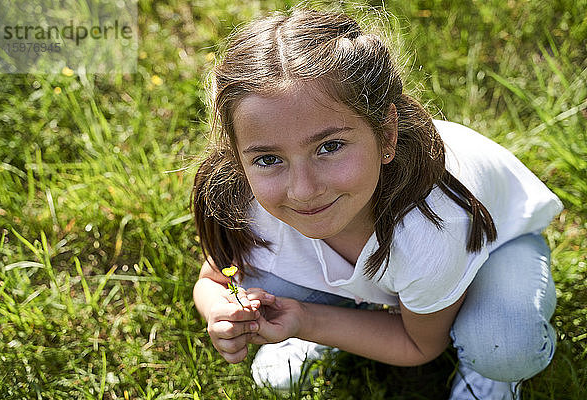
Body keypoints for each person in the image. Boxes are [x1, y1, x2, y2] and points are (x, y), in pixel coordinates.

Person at [191, 7, 562, 399]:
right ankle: (352, 321)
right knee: (257, 277)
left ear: (386, 135)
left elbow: (419, 344)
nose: (302, 190)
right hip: (400, 274)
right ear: (237, 157)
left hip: (496, 248)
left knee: (504, 343)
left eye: (329, 147)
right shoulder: (245, 198)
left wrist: (309, 321)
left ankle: (492, 370)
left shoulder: (432, 225)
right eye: (268, 159)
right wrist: (221, 310)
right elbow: (214, 279)